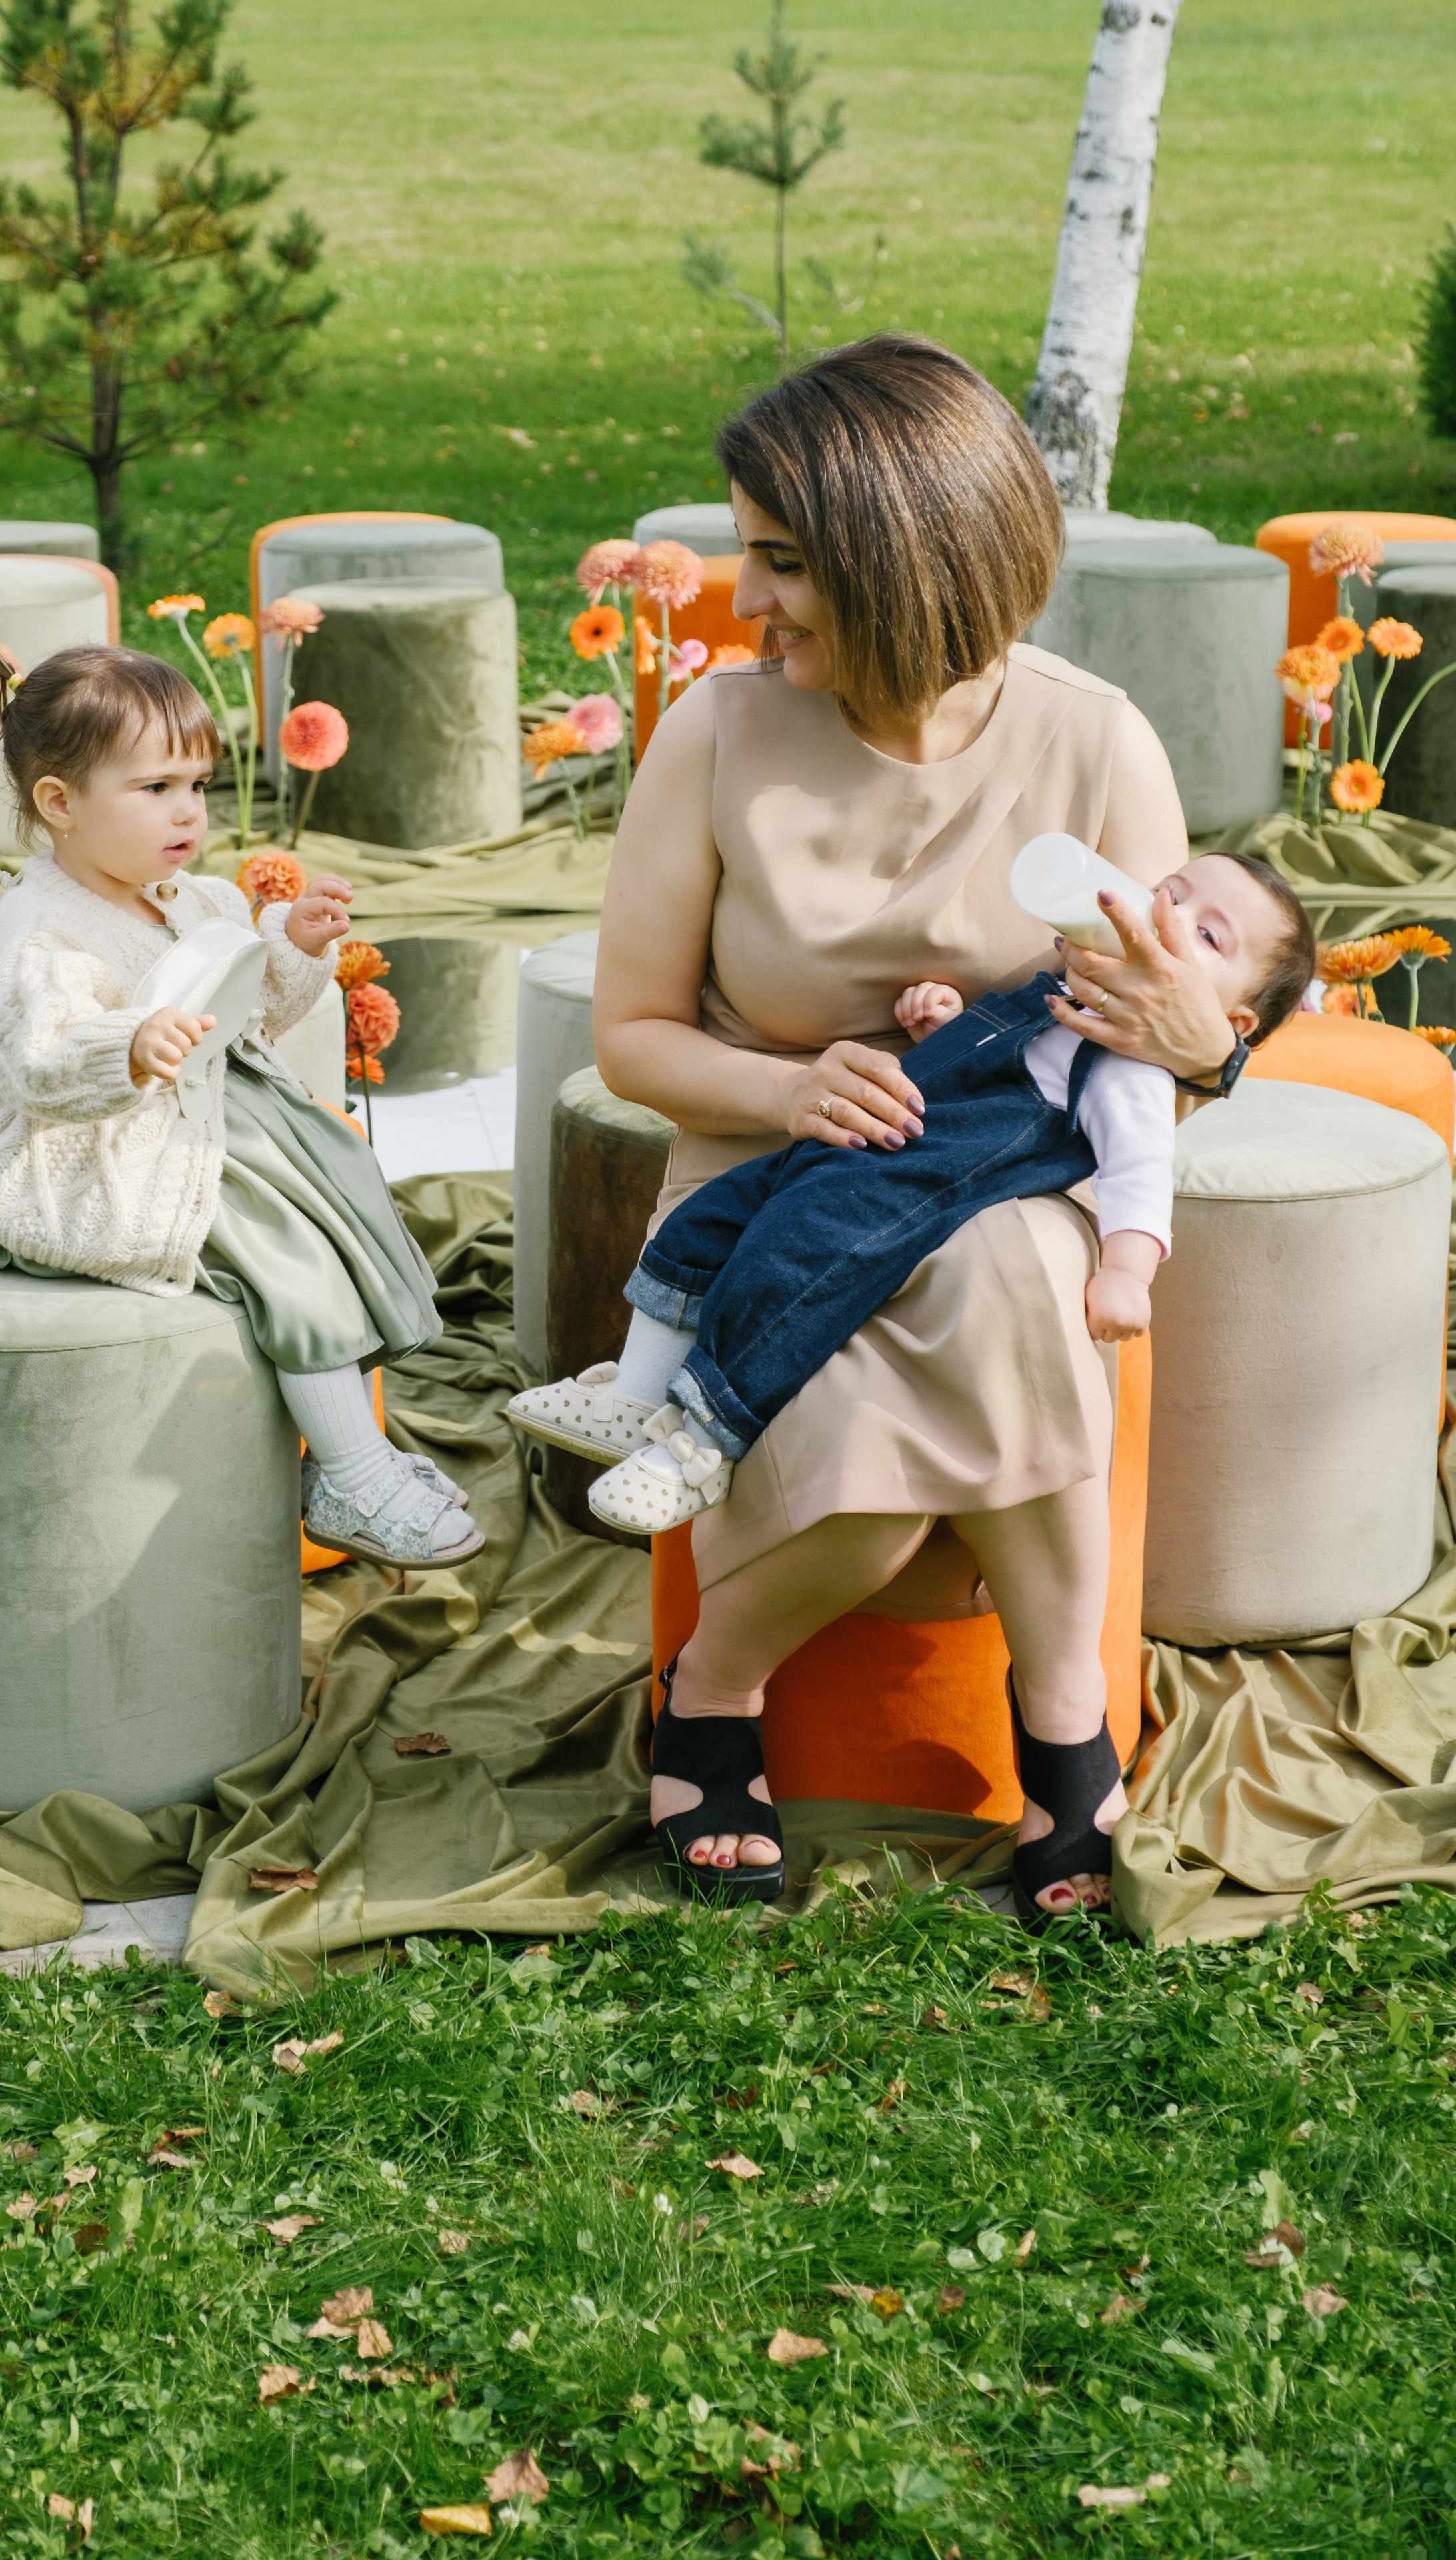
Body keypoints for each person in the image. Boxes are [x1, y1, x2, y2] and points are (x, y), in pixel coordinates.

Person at [512, 334, 1258, 1926]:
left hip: (1002, 1170)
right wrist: (787, 1087)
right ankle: (723, 1689)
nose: (741, 599)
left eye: (780, 562)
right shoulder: (714, 738)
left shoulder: (1092, 742)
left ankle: (1034, 1722)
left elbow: (1154, 1040)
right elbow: (632, 1040)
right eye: (743, 553)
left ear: (897, 558)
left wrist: (1208, 1048)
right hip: (761, 1165)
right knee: (878, 1330)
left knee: (1001, 1276)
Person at [0, 635, 480, 1571]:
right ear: (60, 805)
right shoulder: (38, 939)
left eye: (197, 784)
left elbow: (247, 1010)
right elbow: (43, 1067)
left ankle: (358, 1439)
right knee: (283, 1253)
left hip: (197, 1116)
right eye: (154, 789)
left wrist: (294, 951)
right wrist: (131, 1046)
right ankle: (351, 1469)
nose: (187, 811)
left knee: (334, 1189)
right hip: (79, 1153)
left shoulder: (186, 898)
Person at [517, 851, 1316, 1533]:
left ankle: (701, 1443)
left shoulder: (1128, 1067)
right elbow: (991, 1072)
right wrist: (947, 1027)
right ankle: (635, 1393)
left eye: (1206, 936)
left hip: (905, 1190)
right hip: (858, 1143)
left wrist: (1125, 1274)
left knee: (793, 1267)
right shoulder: (1060, 1002)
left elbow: (1140, 1173)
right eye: (1170, 893)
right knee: (711, 1216)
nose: (1168, 920)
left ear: (1230, 1022)